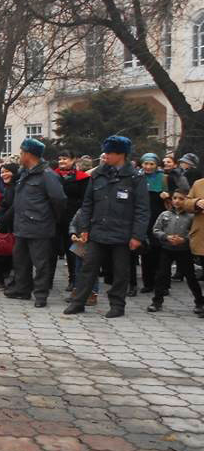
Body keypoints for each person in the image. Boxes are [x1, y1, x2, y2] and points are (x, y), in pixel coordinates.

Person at [65, 136, 149, 318]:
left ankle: (117, 305)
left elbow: (142, 209)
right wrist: (84, 229)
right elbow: (87, 204)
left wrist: (137, 236)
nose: (106, 156)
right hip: (97, 231)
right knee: (88, 268)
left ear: (121, 154)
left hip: (123, 233)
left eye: (109, 152)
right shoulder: (98, 175)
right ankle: (78, 302)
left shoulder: (135, 177)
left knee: (120, 272)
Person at [3, 138, 66, 308]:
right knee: (21, 261)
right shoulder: (25, 173)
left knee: (41, 263)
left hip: (40, 227)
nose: (20, 156)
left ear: (29, 154)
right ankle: (22, 290)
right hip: (22, 226)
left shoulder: (47, 175)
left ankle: (41, 295)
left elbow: (59, 200)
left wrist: (50, 219)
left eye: (22, 153)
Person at [147, 183, 202, 314]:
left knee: (191, 277)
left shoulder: (191, 216)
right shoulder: (165, 214)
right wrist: (166, 237)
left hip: (184, 251)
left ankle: (199, 302)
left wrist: (184, 239)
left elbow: (194, 232)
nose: (177, 201)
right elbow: (156, 229)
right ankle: (157, 301)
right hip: (167, 249)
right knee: (161, 275)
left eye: (181, 199)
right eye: (175, 198)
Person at [55, 149, 90, 291]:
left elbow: (85, 200)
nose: (62, 161)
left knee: (73, 251)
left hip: (73, 218)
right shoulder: (53, 175)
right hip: (56, 217)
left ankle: (73, 280)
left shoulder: (82, 178)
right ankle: (47, 280)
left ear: (73, 160)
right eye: (60, 159)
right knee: (53, 249)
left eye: (65, 159)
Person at [138, 153, 168, 294]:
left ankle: (162, 284)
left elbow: (178, 196)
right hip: (144, 219)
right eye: (146, 164)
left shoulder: (164, 178)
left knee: (161, 253)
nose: (148, 167)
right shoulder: (138, 178)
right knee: (146, 251)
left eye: (151, 164)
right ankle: (148, 283)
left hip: (160, 219)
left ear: (157, 165)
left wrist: (167, 195)